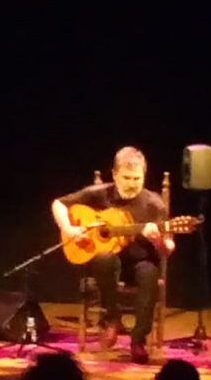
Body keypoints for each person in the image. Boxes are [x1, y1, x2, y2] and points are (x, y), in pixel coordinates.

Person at [51, 146, 174, 363]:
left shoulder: (154, 204)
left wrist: (159, 241)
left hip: (141, 260)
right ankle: (112, 318)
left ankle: (138, 340)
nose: (132, 183)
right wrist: (69, 229)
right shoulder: (100, 194)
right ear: (115, 174)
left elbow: (168, 248)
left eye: (137, 178)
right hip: (108, 261)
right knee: (104, 258)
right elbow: (58, 204)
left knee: (149, 274)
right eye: (126, 177)